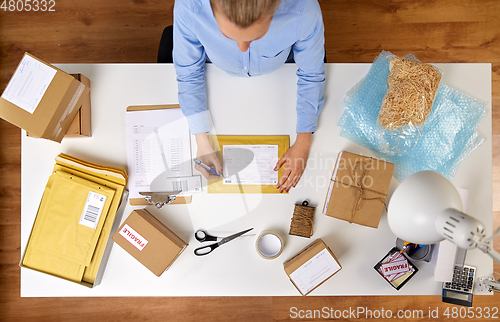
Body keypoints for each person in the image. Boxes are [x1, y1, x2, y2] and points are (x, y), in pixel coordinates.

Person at [173, 0, 325, 193]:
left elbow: (311, 74)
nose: (243, 48)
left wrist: (304, 141)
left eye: (257, 37)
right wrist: (202, 142)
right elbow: (189, 73)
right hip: (217, 77)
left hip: (282, 72)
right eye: (228, 36)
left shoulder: (303, 9)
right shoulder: (189, 6)